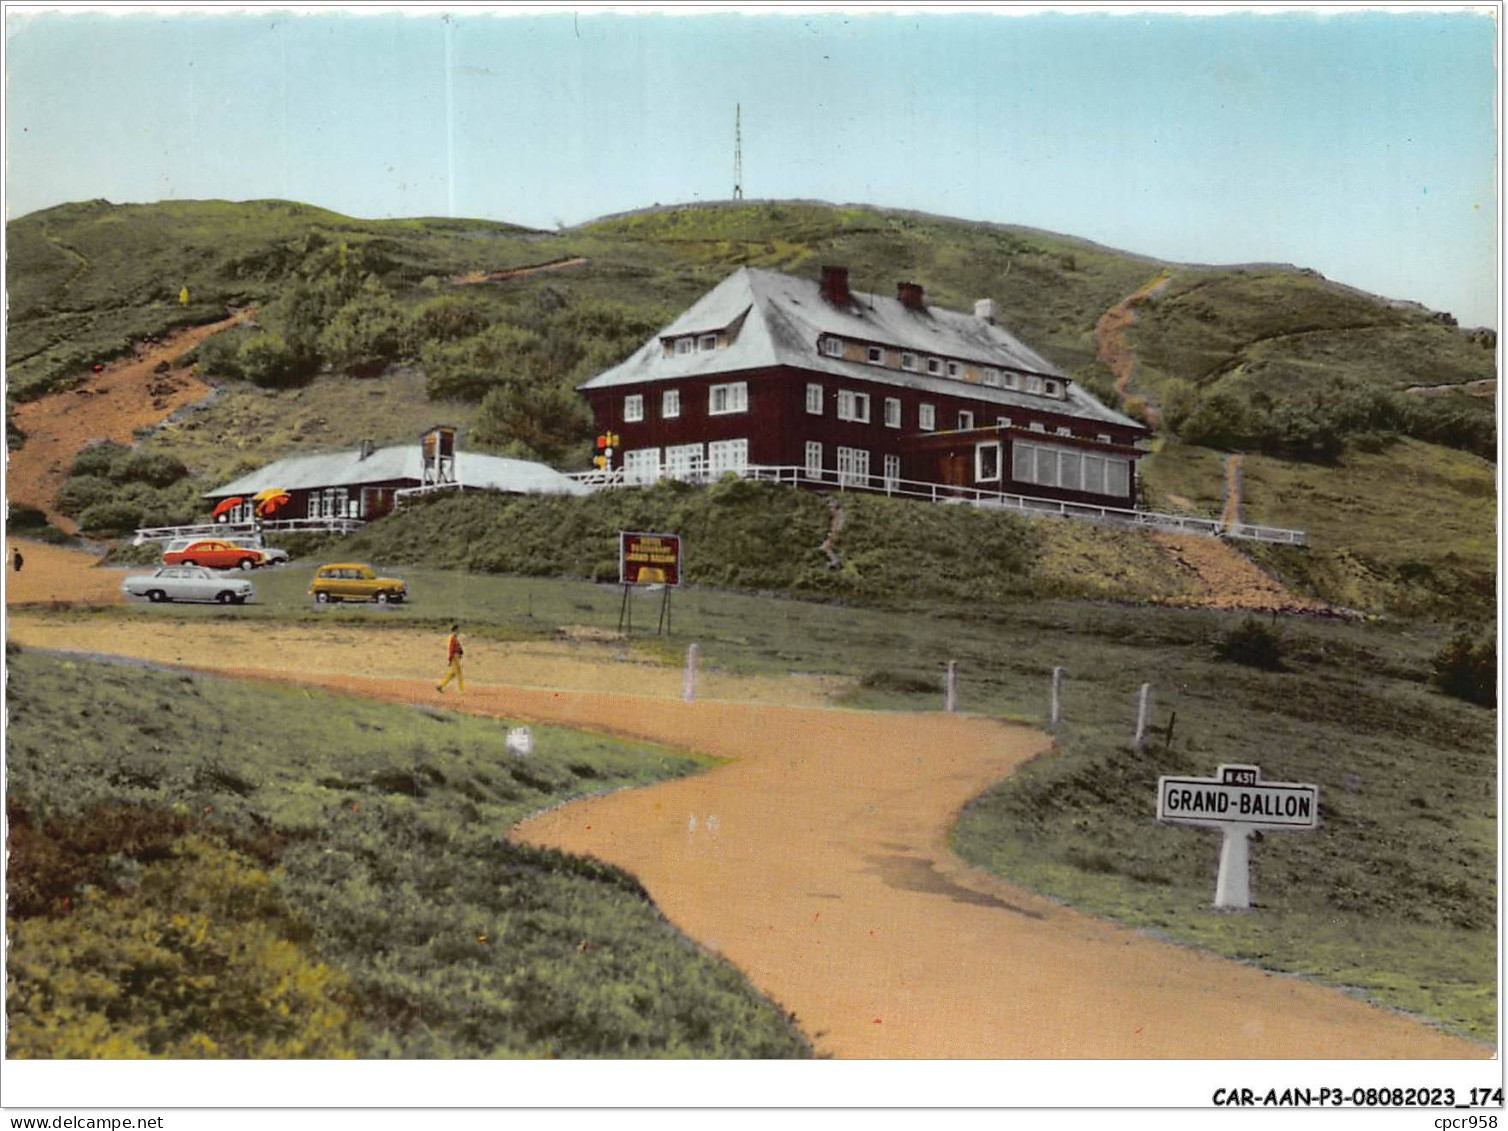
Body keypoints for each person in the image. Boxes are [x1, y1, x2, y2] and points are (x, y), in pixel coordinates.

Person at [437, 624, 464, 694]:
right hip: (455, 657)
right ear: (454, 631)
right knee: (458, 673)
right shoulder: (452, 638)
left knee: (453, 673)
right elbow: (451, 649)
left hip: (456, 657)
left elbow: (457, 648)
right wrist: (450, 659)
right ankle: (461, 690)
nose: (458, 632)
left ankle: (441, 685)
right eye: (457, 630)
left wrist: (460, 651)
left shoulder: (455, 638)